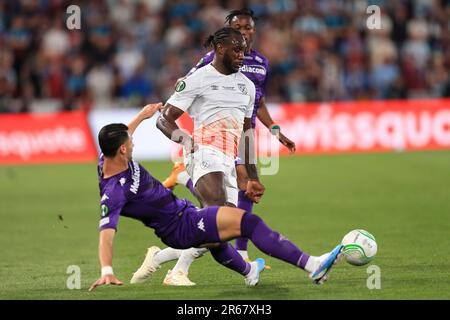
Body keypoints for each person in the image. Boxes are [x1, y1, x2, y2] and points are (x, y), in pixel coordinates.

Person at [88, 104, 343, 291]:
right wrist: (107, 270)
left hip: (182, 213)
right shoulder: (113, 192)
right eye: (129, 142)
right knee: (248, 223)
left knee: (218, 244)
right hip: (180, 226)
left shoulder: (107, 157)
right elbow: (106, 235)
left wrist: (143, 116)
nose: (133, 143)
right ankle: (312, 265)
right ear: (122, 149)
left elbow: (125, 133)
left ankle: (249, 271)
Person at [135, 8, 297, 286]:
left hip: (239, 136)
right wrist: (182, 118)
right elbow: (188, 84)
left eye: (248, 28)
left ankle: (165, 257)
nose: (245, 33)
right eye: (239, 28)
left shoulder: (259, 63)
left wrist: (274, 129)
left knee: (223, 217)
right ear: (227, 33)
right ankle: (189, 268)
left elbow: (258, 101)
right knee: (221, 213)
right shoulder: (213, 60)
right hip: (212, 140)